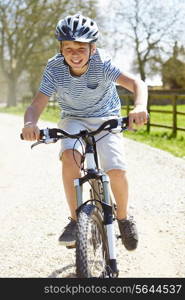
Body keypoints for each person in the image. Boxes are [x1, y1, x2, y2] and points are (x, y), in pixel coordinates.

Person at [22, 13, 148, 251]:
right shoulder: (54, 67)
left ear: (92, 48)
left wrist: (139, 106)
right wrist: (30, 124)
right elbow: (37, 103)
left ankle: (123, 217)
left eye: (81, 47)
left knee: (116, 170)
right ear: (61, 48)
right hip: (73, 118)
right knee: (69, 159)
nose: (74, 53)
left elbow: (136, 84)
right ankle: (74, 220)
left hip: (106, 116)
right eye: (68, 47)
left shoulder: (102, 63)